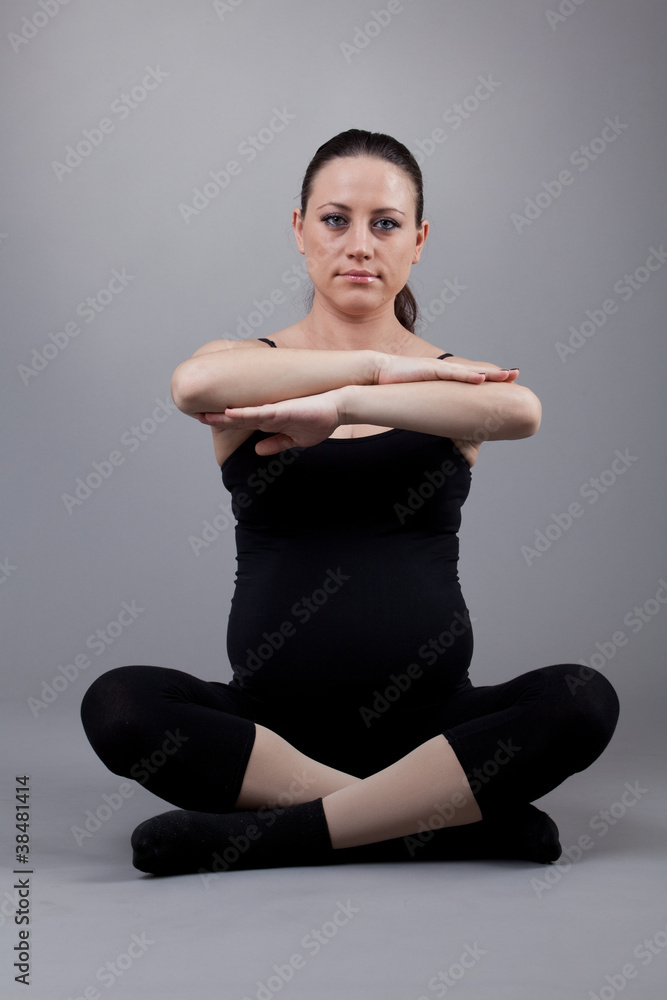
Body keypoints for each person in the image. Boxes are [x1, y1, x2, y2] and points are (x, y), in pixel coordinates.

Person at [80, 129, 620, 877]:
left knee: (581, 700)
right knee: (120, 706)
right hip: (272, 738)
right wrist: (368, 365)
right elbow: (191, 388)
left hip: (432, 731)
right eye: (335, 219)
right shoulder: (245, 365)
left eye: (386, 223)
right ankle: (435, 824)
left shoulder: (452, 379)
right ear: (298, 230)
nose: (360, 244)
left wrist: (341, 405)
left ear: (418, 241)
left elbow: (522, 411)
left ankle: (279, 838)